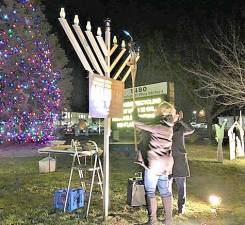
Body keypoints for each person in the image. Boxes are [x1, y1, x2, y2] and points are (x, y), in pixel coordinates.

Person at [133, 101, 179, 225]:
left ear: (161, 111)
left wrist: (135, 110)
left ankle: (152, 221)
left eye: (157, 110)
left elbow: (137, 122)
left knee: (150, 192)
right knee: (165, 191)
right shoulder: (170, 124)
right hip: (165, 165)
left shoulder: (158, 125)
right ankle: (169, 220)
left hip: (153, 165)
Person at [172, 111, 194, 214]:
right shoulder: (165, 127)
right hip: (167, 160)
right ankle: (167, 205)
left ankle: (181, 206)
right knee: (166, 185)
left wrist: (181, 121)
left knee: (181, 185)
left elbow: (191, 129)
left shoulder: (180, 128)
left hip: (179, 159)